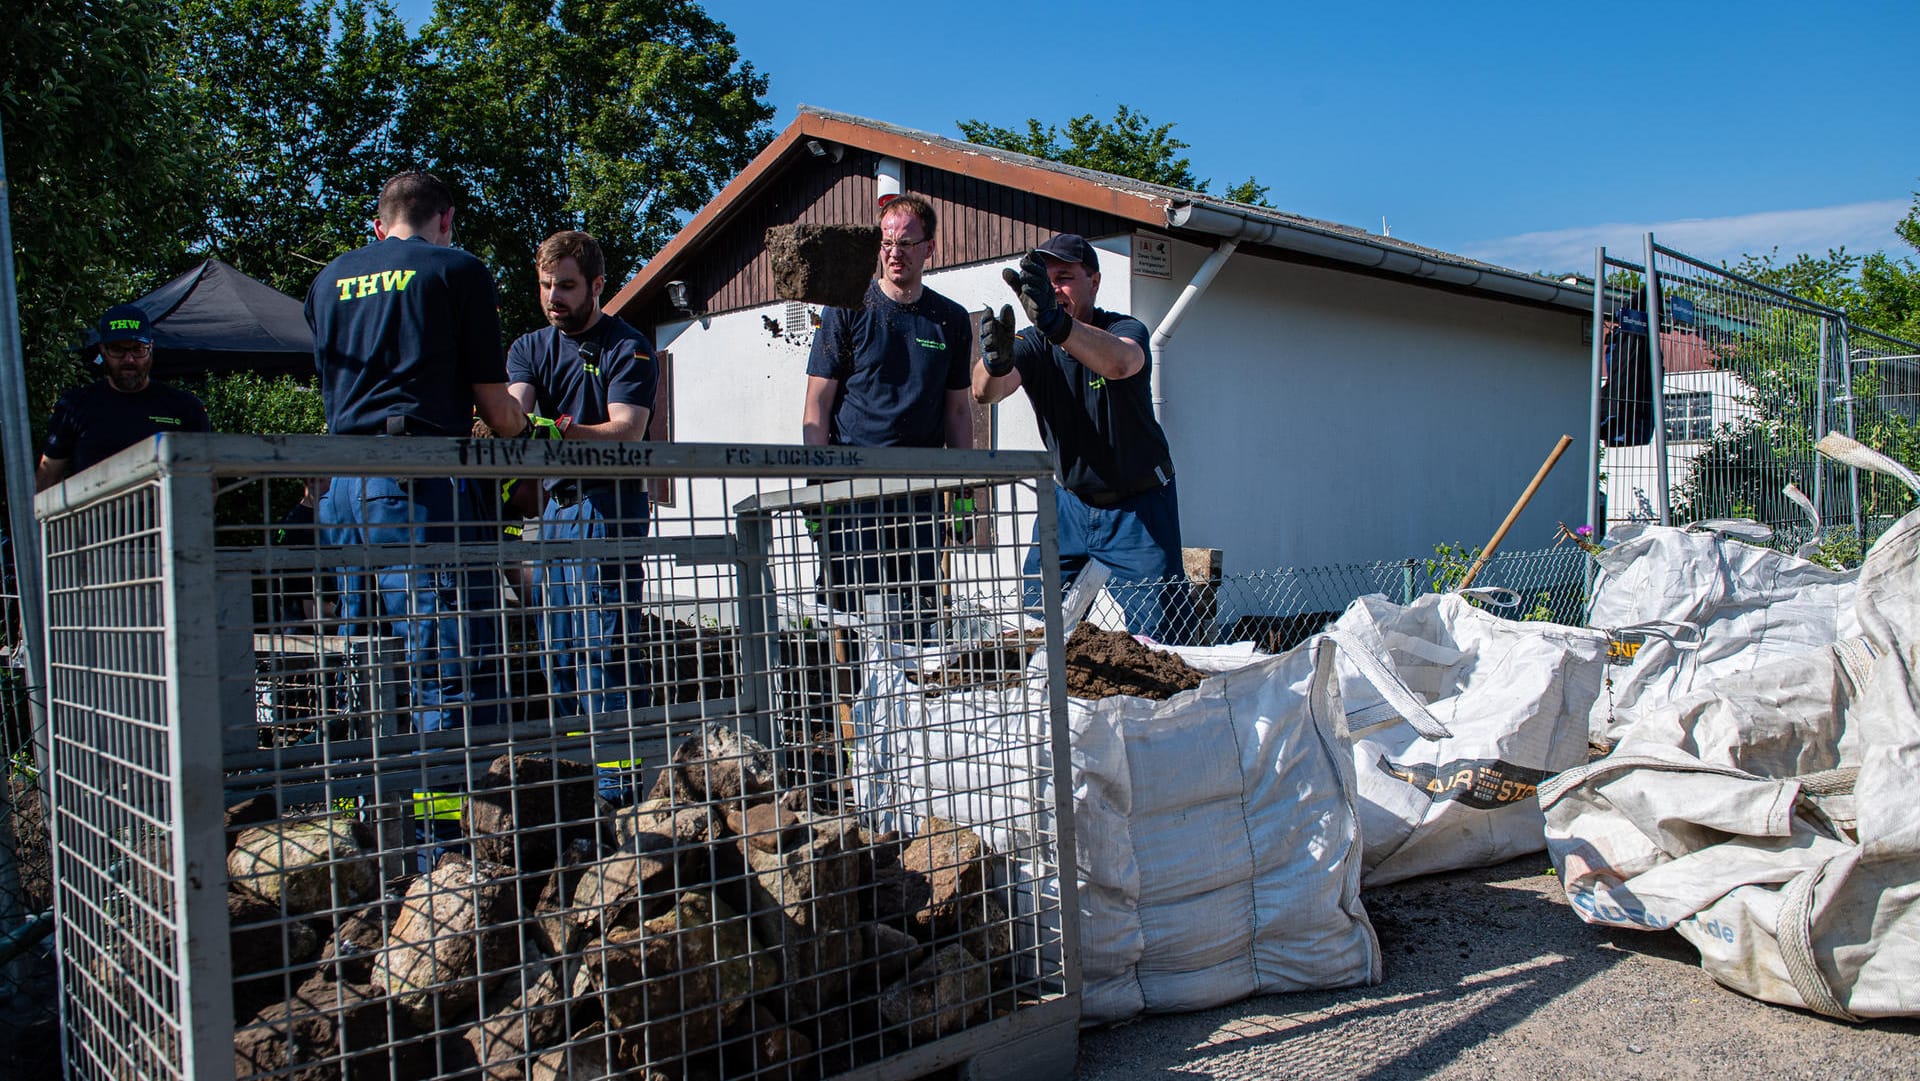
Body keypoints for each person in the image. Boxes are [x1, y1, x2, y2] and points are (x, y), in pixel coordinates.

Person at [306, 170, 539, 738]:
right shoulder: (455, 269)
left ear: (379, 226)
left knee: (365, 660)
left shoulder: (328, 280)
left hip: (343, 487)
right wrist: (529, 426)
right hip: (419, 483)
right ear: (446, 220)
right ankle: (447, 823)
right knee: (451, 660)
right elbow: (495, 409)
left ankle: (366, 809)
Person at [972, 234, 1189, 642]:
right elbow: (986, 392)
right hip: (1069, 505)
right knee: (1036, 625)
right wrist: (994, 363)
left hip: (1138, 507)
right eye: (1045, 280)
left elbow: (1122, 363)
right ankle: (1050, 703)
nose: (1052, 290)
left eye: (1064, 277)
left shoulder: (1123, 329)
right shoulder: (1034, 343)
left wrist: (1058, 324)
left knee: (1159, 638)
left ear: (1095, 282)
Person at [507, 230, 658, 731]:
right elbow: (515, 413)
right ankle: (580, 777)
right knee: (559, 651)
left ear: (596, 285)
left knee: (605, 647)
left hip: (608, 506)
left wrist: (558, 431)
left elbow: (628, 429)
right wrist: (497, 421)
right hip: (555, 510)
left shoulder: (627, 345)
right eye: (547, 284)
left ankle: (617, 786)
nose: (554, 297)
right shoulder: (529, 347)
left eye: (567, 286)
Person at [801, 193, 973, 634]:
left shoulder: (948, 320)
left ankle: (914, 698)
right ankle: (843, 699)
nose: (895, 253)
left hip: (920, 494)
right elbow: (817, 404)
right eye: (887, 242)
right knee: (846, 612)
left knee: (916, 611)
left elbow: (957, 410)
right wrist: (816, 486)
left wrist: (966, 494)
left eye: (908, 244)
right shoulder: (847, 308)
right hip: (852, 492)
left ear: (929, 249)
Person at [36, 304, 211, 491]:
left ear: (151, 348)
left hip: (163, 520)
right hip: (95, 519)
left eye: (138, 349)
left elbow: (207, 484)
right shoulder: (74, 406)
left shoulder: (185, 407)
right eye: (118, 350)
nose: (129, 360)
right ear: (102, 350)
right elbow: (47, 478)